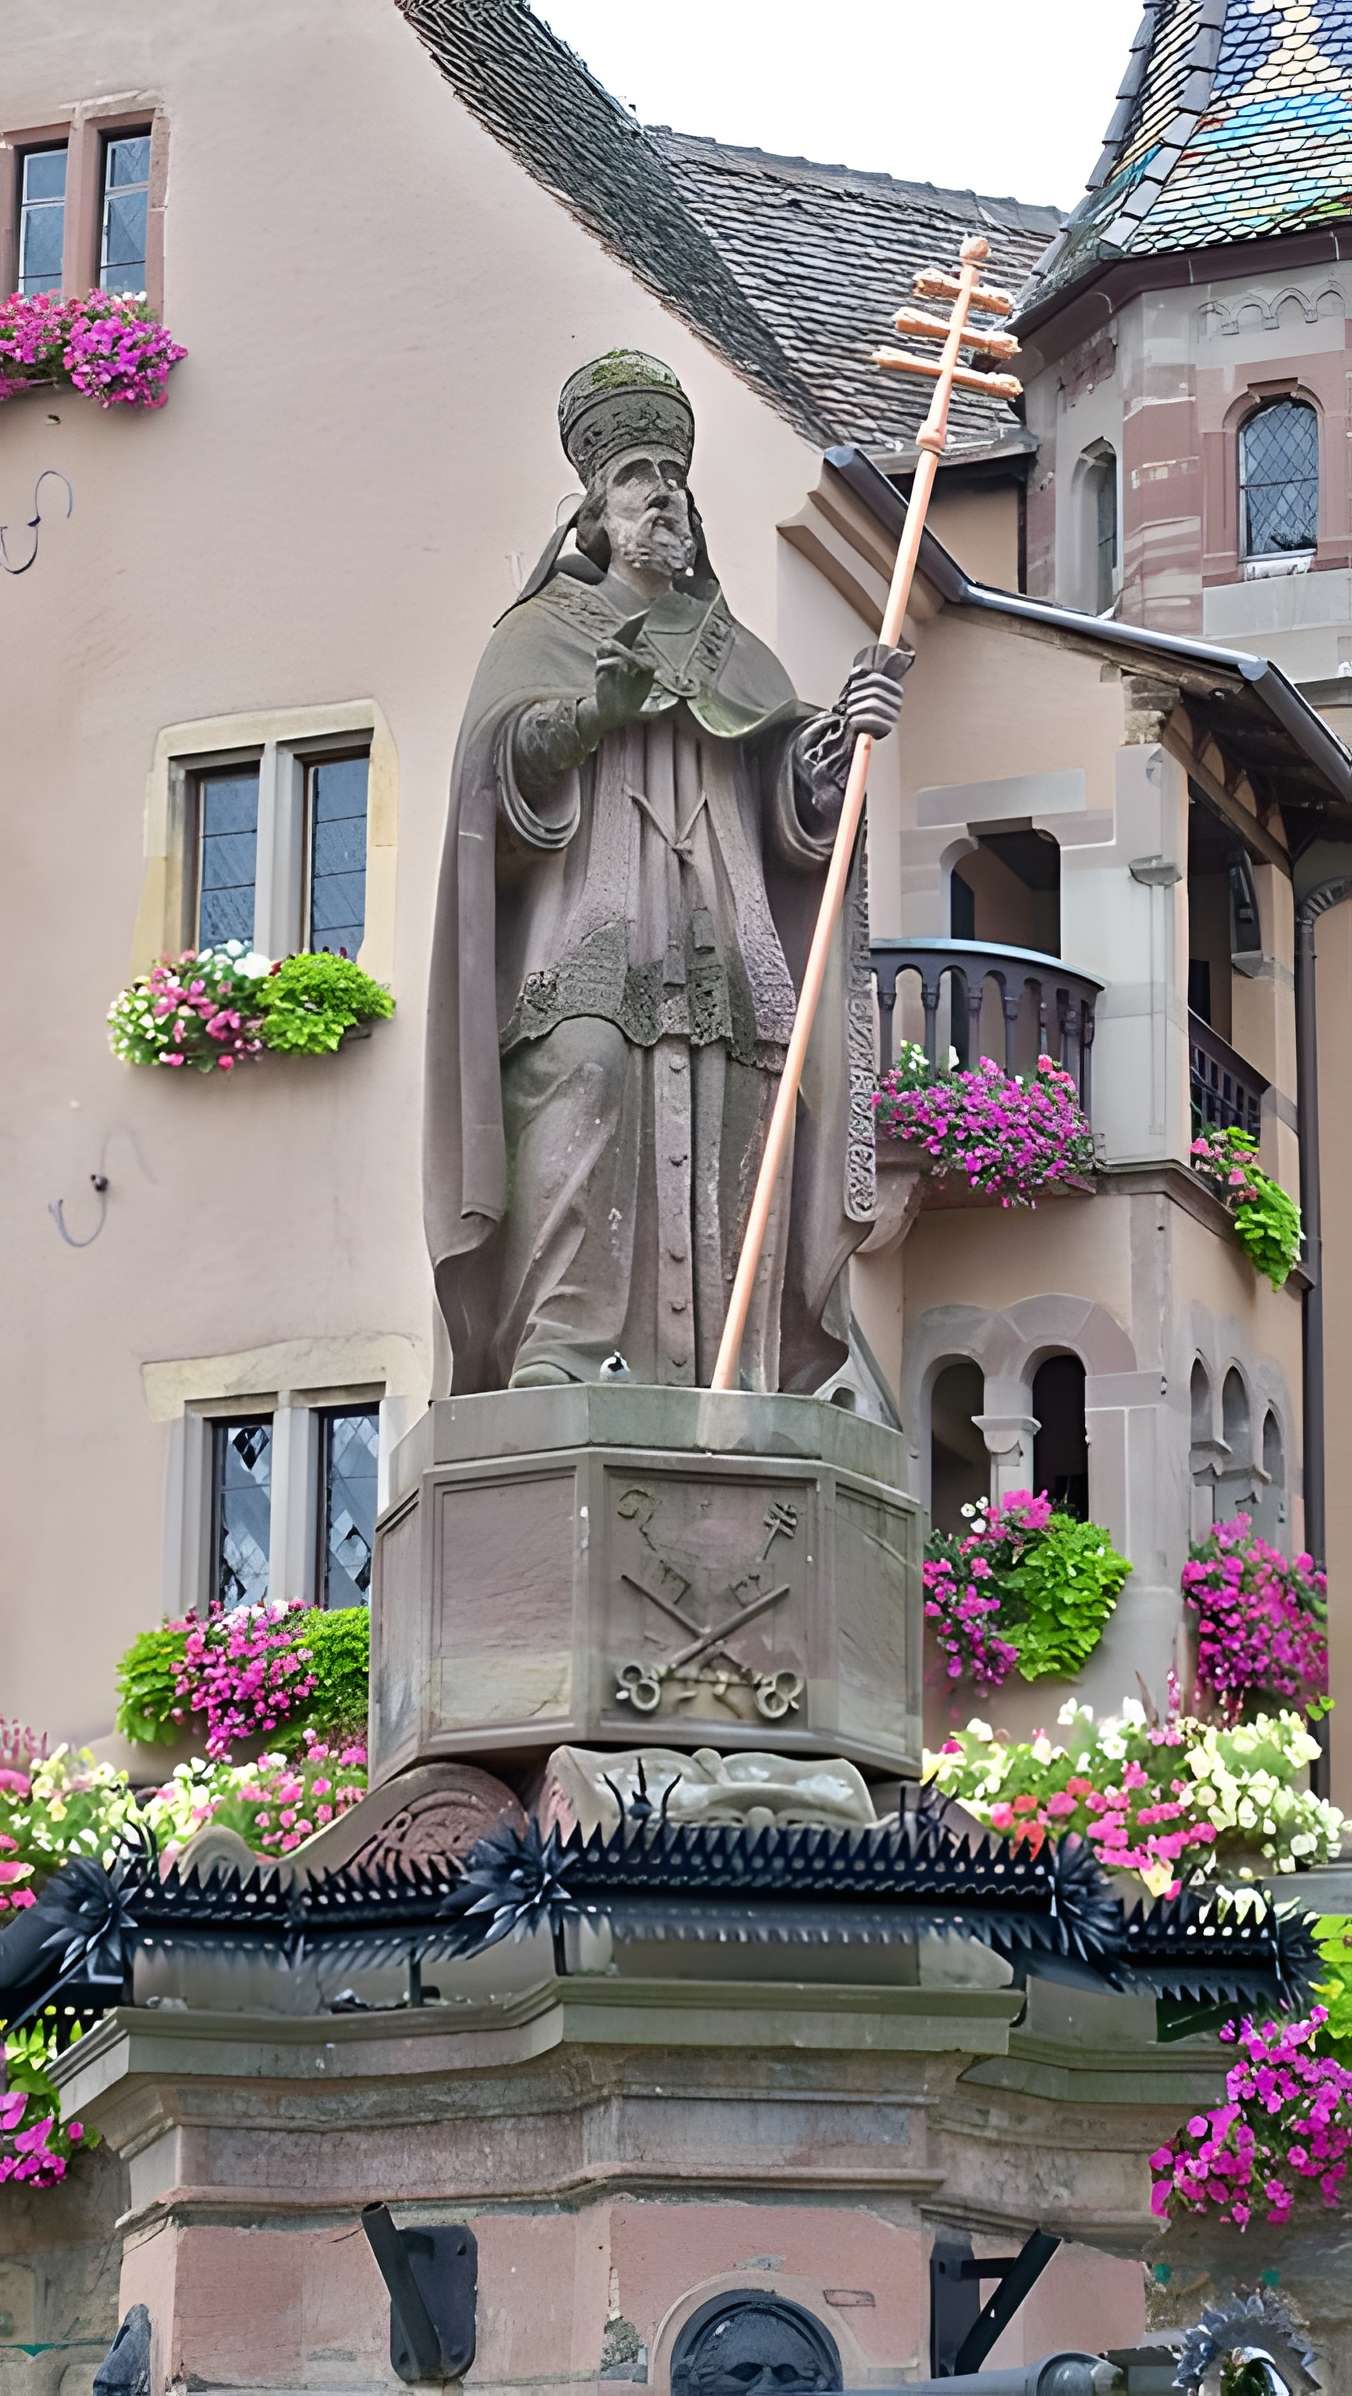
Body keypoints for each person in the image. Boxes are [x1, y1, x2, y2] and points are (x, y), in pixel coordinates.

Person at [425, 351, 906, 1393]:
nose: (663, 495)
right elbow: (493, 775)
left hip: (718, 920)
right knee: (587, 1069)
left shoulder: (737, 651)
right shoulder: (540, 633)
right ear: (594, 513)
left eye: (673, 477)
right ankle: (558, 1351)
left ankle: (733, 1372)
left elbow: (789, 802)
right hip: (589, 920)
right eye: (638, 475)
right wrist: (586, 715)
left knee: (741, 1106)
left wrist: (829, 755)